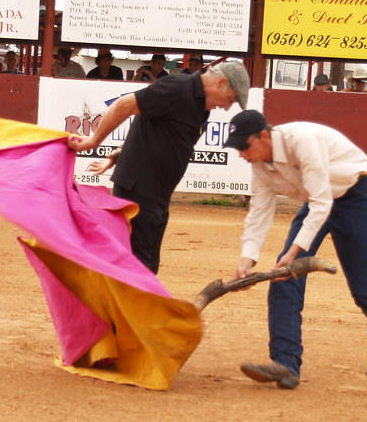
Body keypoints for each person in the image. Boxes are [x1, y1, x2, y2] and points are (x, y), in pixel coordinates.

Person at [224, 109, 367, 389]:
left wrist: (294, 251)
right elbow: (259, 212)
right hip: (317, 200)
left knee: (362, 287)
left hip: (354, 197)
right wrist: (246, 260)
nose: (241, 155)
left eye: (244, 147)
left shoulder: (302, 140)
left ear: (263, 136)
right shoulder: (259, 162)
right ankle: (286, 364)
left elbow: (322, 202)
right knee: (284, 277)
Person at [68, 61, 250, 272]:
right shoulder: (178, 88)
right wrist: (93, 142)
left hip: (156, 194)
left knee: (147, 265)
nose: (226, 107)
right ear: (221, 82)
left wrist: (119, 154)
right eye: (230, 99)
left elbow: (159, 133)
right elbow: (124, 105)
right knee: (137, 265)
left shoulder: (200, 104)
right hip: (140, 190)